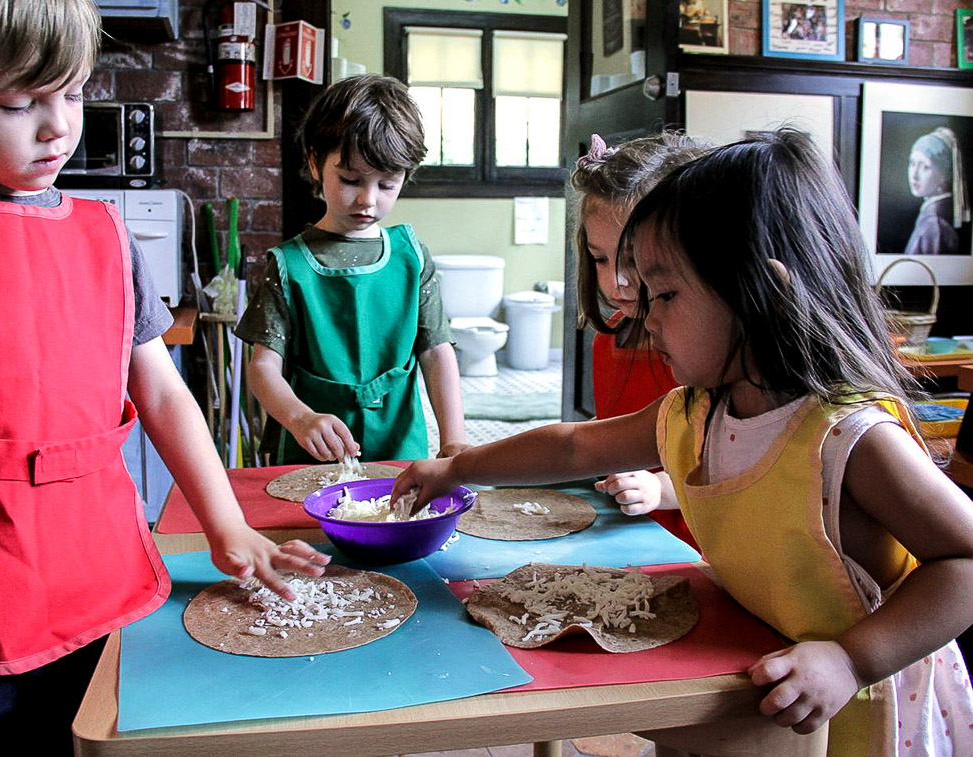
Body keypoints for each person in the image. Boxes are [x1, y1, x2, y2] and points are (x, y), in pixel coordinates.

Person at [393, 129, 973, 755]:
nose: (645, 315)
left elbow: (964, 563)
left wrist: (852, 659)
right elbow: (573, 448)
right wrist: (457, 468)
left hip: (864, 701)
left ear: (763, 295)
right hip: (761, 680)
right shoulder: (694, 413)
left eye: (665, 294)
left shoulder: (849, 439)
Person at [0, 1, 329, 753]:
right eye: (18, 103)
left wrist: (225, 523)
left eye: (75, 94)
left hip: (98, 576)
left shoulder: (105, 236)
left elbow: (162, 391)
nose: (58, 127)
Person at [237, 74, 466, 465]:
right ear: (315, 163)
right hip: (311, 452)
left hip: (399, 444)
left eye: (387, 185)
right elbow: (262, 368)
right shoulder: (288, 265)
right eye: (350, 180)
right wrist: (300, 418)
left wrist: (455, 439)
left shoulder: (412, 258)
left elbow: (436, 353)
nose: (367, 199)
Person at [572, 132, 705, 544]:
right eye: (600, 258)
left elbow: (730, 464)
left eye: (632, 259)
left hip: (694, 543)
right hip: (630, 534)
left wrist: (661, 488)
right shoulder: (608, 340)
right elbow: (617, 425)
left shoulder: (707, 352)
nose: (617, 281)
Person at [904, 126, 970, 256]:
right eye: (912, 163)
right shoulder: (931, 219)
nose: (914, 175)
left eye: (925, 167)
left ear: (944, 175)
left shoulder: (935, 225)